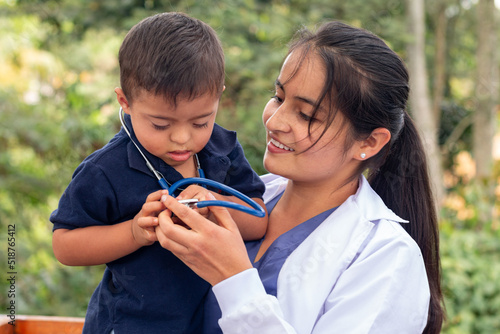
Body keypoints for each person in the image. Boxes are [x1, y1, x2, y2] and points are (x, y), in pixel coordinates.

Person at [155, 21, 445, 333]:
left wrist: (232, 278)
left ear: (368, 142)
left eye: (307, 115)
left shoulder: (387, 258)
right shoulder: (240, 197)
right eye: (279, 97)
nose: (276, 121)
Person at [50, 12, 267, 334]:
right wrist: (134, 233)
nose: (182, 138)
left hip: (213, 321)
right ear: (125, 101)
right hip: (133, 324)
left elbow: (259, 219)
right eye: (160, 124)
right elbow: (65, 246)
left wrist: (216, 206)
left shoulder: (223, 149)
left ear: (218, 96)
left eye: (200, 122)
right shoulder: (105, 171)